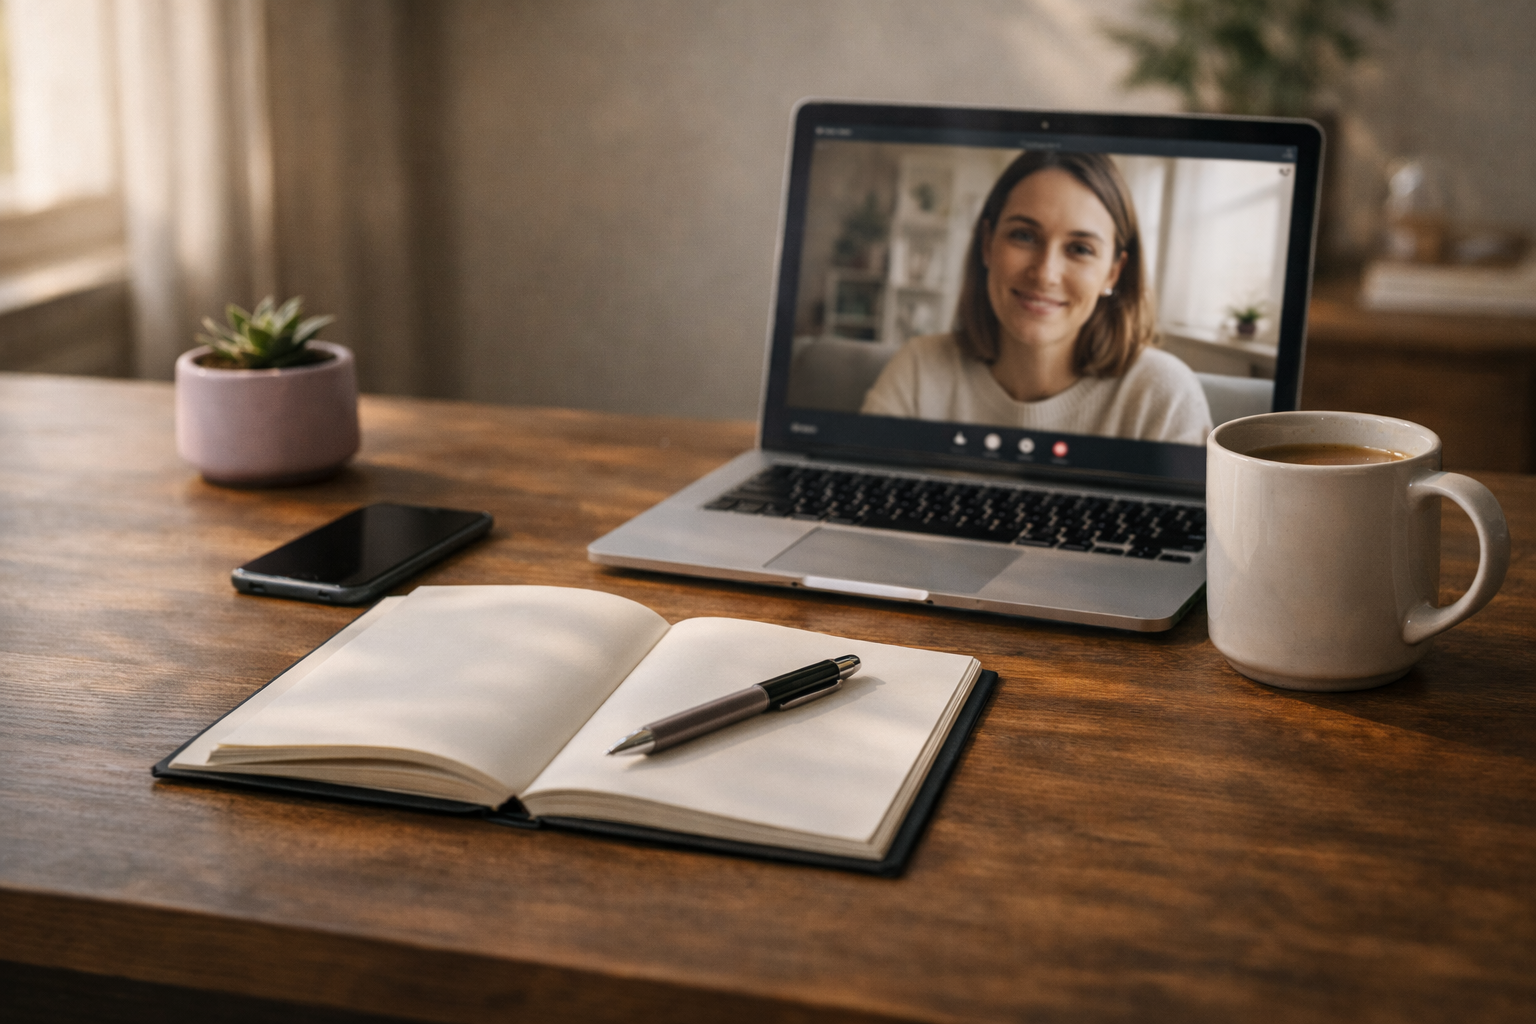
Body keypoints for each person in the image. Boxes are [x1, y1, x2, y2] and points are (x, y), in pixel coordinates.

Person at [861, 151, 1212, 445]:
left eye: (1079, 249)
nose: (1045, 273)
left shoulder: (1165, 395)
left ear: (1113, 272)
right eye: (1024, 236)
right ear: (988, 244)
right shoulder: (918, 369)